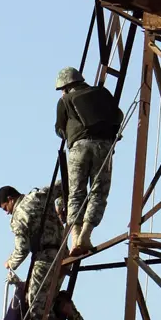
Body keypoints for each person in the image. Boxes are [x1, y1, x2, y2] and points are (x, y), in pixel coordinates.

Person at [0, 183, 81, 320]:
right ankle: (65, 307)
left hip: (45, 258)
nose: (6, 212)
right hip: (64, 254)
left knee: (33, 301)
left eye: (4, 207)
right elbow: (64, 184)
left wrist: (11, 263)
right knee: (48, 294)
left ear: (10, 199)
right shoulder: (38, 196)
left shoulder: (19, 215)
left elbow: (22, 248)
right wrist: (62, 207)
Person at [54, 67, 123, 255]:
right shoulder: (102, 93)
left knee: (75, 193)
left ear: (66, 86)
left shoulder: (65, 100)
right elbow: (117, 115)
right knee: (99, 191)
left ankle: (75, 237)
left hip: (78, 149)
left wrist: (71, 132)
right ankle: (86, 233)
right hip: (104, 147)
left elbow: (59, 129)